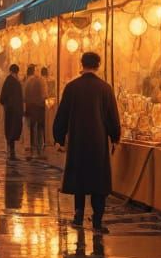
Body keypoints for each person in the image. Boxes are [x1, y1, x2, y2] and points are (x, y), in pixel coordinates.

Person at [52, 51, 120, 232]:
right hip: (98, 140)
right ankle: (97, 220)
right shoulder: (105, 88)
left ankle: (78, 215)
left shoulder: (72, 87)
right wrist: (115, 137)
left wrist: (58, 138)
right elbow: (113, 116)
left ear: (81, 64)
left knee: (79, 178)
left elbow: (62, 115)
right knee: (98, 180)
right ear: (98, 65)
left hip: (78, 139)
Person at [0, 63, 24, 161]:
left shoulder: (7, 81)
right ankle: (12, 150)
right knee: (14, 128)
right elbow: (20, 98)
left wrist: (5, 103)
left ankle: (10, 149)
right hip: (16, 110)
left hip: (9, 109)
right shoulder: (17, 83)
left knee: (9, 127)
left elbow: (2, 97)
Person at [23, 64, 47, 157]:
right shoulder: (40, 81)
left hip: (30, 107)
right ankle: (39, 150)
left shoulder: (27, 82)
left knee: (32, 128)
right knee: (40, 128)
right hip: (39, 107)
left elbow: (24, 96)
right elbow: (44, 95)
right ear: (34, 71)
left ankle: (32, 147)